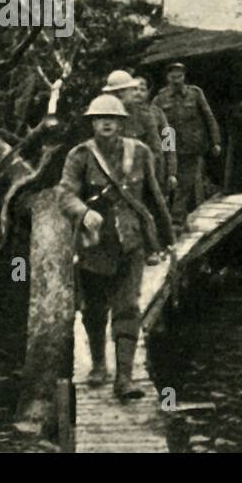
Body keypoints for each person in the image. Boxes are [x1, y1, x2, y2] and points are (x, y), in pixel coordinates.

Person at [60, 93, 173, 400]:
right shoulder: (80, 156)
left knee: (127, 308)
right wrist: (84, 213)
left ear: (122, 123)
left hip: (130, 243)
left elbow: (153, 197)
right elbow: (65, 195)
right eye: (100, 119)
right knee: (94, 310)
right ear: (92, 123)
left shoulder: (140, 153)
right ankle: (98, 364)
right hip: (93, 246)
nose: (106, 123)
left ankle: (125, 378)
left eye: (112, 119)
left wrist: (166, 239)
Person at [152, 61, 222, 232]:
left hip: (191, 147)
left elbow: (208, 117)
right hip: (169, 148)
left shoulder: (195, 94)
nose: (176, 80)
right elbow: (153, 124)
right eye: (173, 76)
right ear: (167, 77)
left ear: (184, 77)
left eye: (179, 76)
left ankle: (176, 222)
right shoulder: (160, 98)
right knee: (168, 183)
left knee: (185, 184)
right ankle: (168, 221)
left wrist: (216, 141)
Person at [100, 69, 178, 198]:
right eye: (135, 89)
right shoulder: (106, 115)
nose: (138, 93)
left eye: (142, 89)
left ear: (148, 92)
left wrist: (171, 171)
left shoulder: (155, 114)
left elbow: (166, 143)